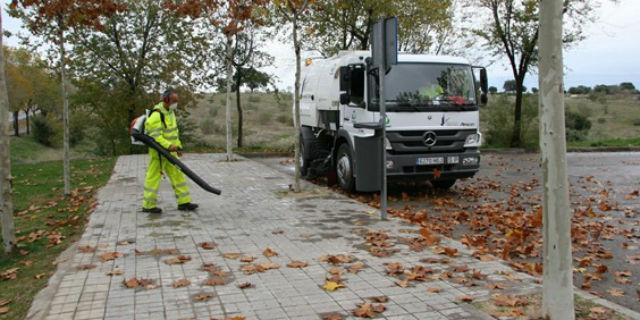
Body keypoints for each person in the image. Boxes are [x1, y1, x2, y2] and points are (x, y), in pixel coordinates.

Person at [142, 89, 199, 213]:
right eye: (174, 101)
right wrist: (169, 146)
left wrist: (177, 147)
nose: (176, 104)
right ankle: (148, 205)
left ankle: (184, 203)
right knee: (153, 179)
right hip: (159, 154)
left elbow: (174, 133)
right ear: (166, 100)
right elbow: (155, 136)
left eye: (177, 101)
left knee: (178, 176)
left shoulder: (170, 113)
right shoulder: (157, 114)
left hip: (170, 153)